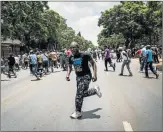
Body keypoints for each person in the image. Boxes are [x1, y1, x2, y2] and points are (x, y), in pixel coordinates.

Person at [66, 41, 102, 119]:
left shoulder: (85, 55)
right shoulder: (70, 57)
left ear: (78, 47)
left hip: (86, 76)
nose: (72, 49)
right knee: (82, 94)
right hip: (78, 77)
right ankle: (94, 90)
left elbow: (93, 63)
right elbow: (69, 66)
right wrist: (67, 74)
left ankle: (78, 111)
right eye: (71, 48)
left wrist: (95, 74)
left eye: (74, 47)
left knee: (79, 94)